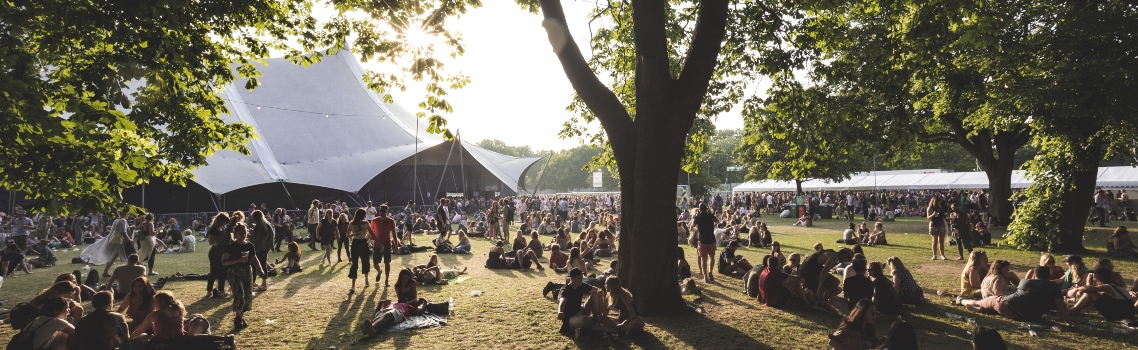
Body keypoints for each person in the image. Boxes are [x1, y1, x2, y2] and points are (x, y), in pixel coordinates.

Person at [959, 266, 1073, 324]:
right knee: (994, 306)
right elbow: (1061, 305)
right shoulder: (1053, 286)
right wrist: (1068, 321)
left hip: (1008, 306)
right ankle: (981, 309)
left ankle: (962, 301)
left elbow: (1018, 294)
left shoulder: (1026, 281)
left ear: (1034, 274)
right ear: (1049, 275)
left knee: (987, 301)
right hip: (1030, 316)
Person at [221, 223, 258, 329]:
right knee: (239, 294)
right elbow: (224, 262)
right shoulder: (231, 247)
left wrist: (261, 270)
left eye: (245, 232)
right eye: (240, 233)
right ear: (235, 234)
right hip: (234, 272)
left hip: (247, 271)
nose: (243, 235)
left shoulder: (250, 246)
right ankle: (238, 318)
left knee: (247, 295)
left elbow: (254, 259)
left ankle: (241, 317)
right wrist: (238, 260)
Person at [1070, 267, 1136, 323]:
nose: (1093, 278)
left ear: (1098, 276)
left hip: (1119, 314)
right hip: (1126, 312)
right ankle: (1074, 309)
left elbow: (1088, 289)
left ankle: (1074, 310)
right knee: (1093, 292)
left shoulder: (1108, 286)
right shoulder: (1117, 285)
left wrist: (1080, 287)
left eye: (1094, 275)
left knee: (1091, 292)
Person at [557, 268, 602, 336]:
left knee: (595, 295)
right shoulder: (565, 289)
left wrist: (602, 299)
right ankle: (594, 324)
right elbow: (562, 300)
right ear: (572, 278)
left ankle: (596, 318)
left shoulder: (581, 285)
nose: (581, 280)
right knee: (585, 320)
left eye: (582, 278)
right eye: (579, 278)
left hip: (580, 310)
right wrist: (560, 311)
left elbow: (597, 290)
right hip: (571, 319)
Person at [360, 298, 429, 337]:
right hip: (383, 311)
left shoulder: (410, 307)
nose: (415, 301)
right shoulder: (394, 303)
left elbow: (420, 312)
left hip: (396, 312)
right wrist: (381, 303)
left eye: (418, 302)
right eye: (416, 299)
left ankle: (368, 329)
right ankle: (373, 332)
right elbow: (376, 314)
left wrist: (425, 303)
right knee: (380, 321)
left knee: (387, 316)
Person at [368, 204, 398, 286]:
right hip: (377, 245)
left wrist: (396, 245)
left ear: (386, 211)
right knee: (375, 263)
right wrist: (365, 241)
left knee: (387, 262)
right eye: (380, 210)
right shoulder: (374, 220)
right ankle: (379, 272)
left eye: (383, 211)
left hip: (387, 244)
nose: (381, 212)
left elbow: (394, 234)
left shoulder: (391, 221)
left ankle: (386, 280)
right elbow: (370, 232)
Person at [205, 212, 231, 299]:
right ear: (220, 221)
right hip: (215, 252)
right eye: (224, 223)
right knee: (219, 271)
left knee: (215, 271)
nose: (224, 225)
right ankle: (220, 290)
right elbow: (211, 242)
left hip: (216, 252)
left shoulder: (219, 229)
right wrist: (222, 236)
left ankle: (210, 291)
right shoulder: (214, 230)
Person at [347, 208, 374, 294]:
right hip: (355, 243)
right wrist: (354, 234)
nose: (365, 216)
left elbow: (371, 233)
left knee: (365, 261)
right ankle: (353, 286)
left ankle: (366, 280)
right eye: (364, 215)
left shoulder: (366, 223)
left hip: (363, 242)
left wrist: (374, 240)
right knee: (354, 263)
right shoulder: (351, 223)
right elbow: (347, 235)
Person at [102, 210, 133, 278]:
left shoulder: (117, 220)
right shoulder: (123, 221)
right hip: (121, 242)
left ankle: (105, 271)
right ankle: (130, 270)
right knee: (129, 255)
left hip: (118, 241)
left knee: (114, 256)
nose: (128, 215)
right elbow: (123, 232)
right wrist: (129, 239)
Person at [249, 210, 275, 292]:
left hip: (260, 248)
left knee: (253, 264)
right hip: (266, 247)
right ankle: (263, 283)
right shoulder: (267, 223)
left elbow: (257, 239)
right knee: (263, 264)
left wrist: (250, 236)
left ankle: (252, 283)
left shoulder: (259, 225)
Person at [691, 204, 718, 283]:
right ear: (706, 208)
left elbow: (692, 226)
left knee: (703, 259)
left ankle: (705, 277)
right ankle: (710, 272)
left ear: (699, 209)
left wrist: (697, 227)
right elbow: (718, 222)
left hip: (702, 240)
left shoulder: (697, 217)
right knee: (711, 257)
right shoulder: (711, 216)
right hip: (711, 239)